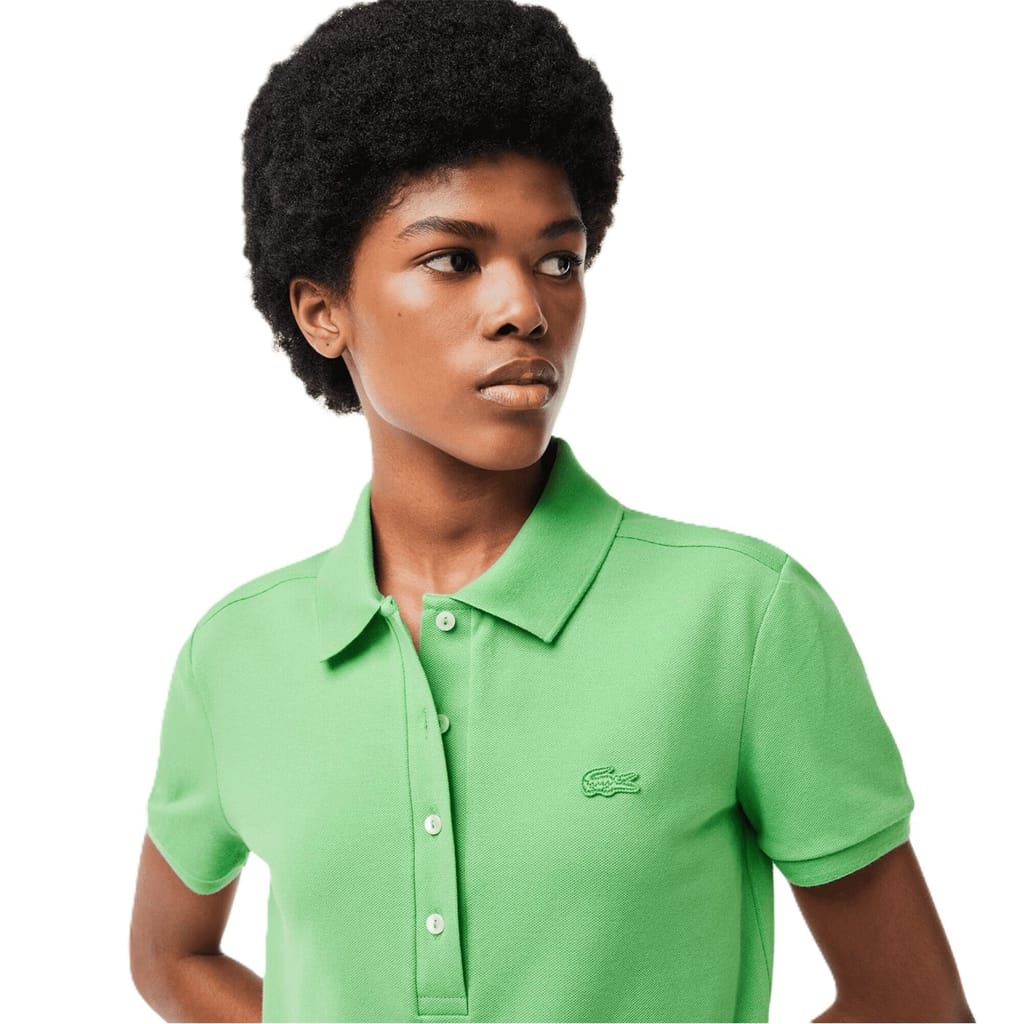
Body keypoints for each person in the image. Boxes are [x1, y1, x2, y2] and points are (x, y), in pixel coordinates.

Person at [129, 2, 974, 1021]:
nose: (525, 308)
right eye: (455, 259)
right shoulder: (235, 656)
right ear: (323, 311)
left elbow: (912, 1004)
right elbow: (170, 956)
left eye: (558, 259)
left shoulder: (740, 617)